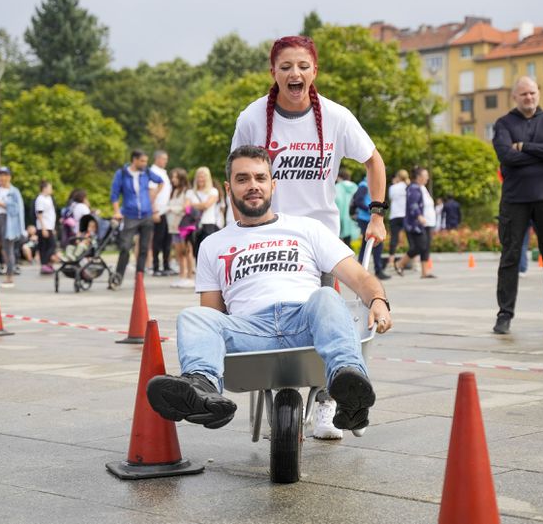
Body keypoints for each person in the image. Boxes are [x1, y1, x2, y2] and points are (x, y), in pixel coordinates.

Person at [145, 145, 392, 433]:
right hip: (251, 331)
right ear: (228, 187)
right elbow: (212, 314)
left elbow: (360, 278)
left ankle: (349, 389)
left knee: (326, 296)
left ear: (273, 184)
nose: (253, 186)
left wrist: (378, 299)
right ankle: (202, 388)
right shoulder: (213, 244)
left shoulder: (307, 229)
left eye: (260, 178)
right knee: (192, 317)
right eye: (242, 179)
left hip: (305, 323)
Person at [230, 34, 391, 440]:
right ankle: (275, 392)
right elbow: (235, 174)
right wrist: (237, 230)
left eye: (302, 66)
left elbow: (373, 160)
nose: (294, 73)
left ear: (314, 71)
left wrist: (377, 214)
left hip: (319, 241)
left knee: (328, 317)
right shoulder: (252, 118)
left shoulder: (336, 117)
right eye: (285, 67)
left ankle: (326, 402)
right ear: (274, 73)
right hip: (267, 236)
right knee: (268, 318)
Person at [491, 75, 543, 335]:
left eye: (532, 93)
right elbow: (505, 155)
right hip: (514, 199)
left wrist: (525, 147)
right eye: (523, 94)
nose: (528, 98)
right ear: (514, 97)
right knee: (509, 257)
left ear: (539, 93)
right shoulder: (503, 123)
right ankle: (504, 315)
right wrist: (540, 153)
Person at [111, 150, 163, 280]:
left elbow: (160, 181)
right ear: (134, 160)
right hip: (130, 215)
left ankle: (139, 277)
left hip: (146, 215)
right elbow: (114, 194)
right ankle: (118, 277)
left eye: (146, 161)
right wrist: (117, 211)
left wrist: (154, 195)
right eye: (142, 161)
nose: (145, 163)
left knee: (144, 248)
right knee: (125, 247)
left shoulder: (146, 172)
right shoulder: (122, 174)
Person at [393, 167, 434, 278]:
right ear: (419, 177)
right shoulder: (414, 188)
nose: (427, 178)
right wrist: (419, 216)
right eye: (426, 175)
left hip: (426, 223)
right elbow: (413, 204)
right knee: (420, 246)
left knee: (425, 247)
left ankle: (425, 272)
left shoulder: (421, 187)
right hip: (416, 223)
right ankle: (400, 263)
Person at [352, 177, 391, 280]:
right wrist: (372, 211)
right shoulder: (364, 185)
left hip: (368, 218)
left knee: (366, 244)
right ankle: (378, 270)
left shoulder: (369, 183)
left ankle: (360, 271)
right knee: (377, 243)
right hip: (366, 218)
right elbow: (358, 201)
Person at [166, 168, 196, 289]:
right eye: (172, 177)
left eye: (176, 177)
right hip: (173, 226)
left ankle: (190, 276)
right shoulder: (173, 191)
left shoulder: (187, 192)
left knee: (187, 251)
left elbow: (185, 207)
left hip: (184, 226)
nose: (173, 180)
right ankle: (182, 276)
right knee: (178, 252)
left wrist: (171, 209)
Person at [148, 150, 175, 277]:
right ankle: (155, 266)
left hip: (166, 210)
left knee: (166, 241)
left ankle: (166, 265)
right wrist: (154, 210)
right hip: (158, 210)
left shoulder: (163, 172)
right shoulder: (153, 172)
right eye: (164, 159)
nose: (166, 161)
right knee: (157, 240)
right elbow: (151, 193)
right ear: (157, 159)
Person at [187, 166, 220, 259]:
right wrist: (200, 205)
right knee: (196, 252)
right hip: (194, 225)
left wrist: (193, 205)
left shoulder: (213, 191)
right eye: (199, 176)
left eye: (203, 176)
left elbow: (206, 205)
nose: (200, 179)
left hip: (208, 224)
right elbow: (186, 207)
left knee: (208, 252)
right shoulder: (190, 192)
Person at [387, 169, 409, 268]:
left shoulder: (393, 187)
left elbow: (391, 198)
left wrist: (394, 183)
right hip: (406, 215)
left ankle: (391, 261)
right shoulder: (408, 187)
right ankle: (413, 260)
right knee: (410, 238)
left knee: (394, 239)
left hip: (395, 215)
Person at [34, 180, 57, 274]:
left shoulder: (49, 198)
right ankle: (44, 264)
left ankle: (48, 264)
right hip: (44, 226)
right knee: (48, 246)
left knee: (50, 246)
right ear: (44, 188)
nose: (51, 190)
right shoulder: (40, 199)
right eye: (49, 188)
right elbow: (39, 214)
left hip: (50, 226)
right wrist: (43, 228)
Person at [335, 169, 360, 247]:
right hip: (352, 216)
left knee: (338, 238)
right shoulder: (355, 187)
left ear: (339, 177)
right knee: (348, 237)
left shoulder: (337, 187)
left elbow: (336, 200)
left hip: (339, 215)